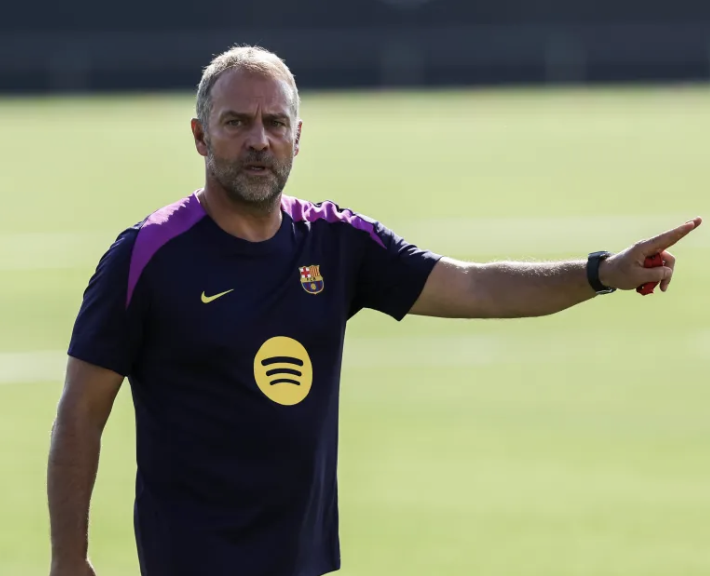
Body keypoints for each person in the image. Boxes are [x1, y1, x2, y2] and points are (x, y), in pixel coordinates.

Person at [46, 44, 702, 576]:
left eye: (276, 123)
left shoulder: (337, 242)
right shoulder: (146, 256)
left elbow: (476, 287)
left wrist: (601, 272)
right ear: (199, 136)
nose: (260, 140)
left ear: (299, 137)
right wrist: (68, 559)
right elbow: (80, 414)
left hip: (303, 564)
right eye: (237, 122)